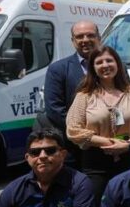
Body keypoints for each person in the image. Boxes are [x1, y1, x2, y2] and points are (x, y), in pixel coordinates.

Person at [66, 45, 130, 200]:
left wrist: (127, 144)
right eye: (99, 62)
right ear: (92, 68)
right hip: (95, 162)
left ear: (118, 64)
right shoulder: (84, 96)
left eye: (109, 60)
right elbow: (73, 129)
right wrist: (106, 142)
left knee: (129, 203)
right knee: (96, 205)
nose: (105, 65)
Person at [41, 21, 100, 152]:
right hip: (74, 146)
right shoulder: (58, 69)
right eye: (80, 36)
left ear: (99, 38)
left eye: (90, 35)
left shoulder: (115, 67)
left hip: (110, 141)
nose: (85, 40)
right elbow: (54, 109)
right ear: (73, 41)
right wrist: (85, 132)